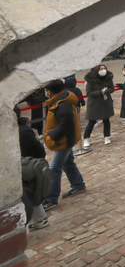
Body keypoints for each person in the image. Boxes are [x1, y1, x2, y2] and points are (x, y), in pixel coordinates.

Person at [41, 79, 86, 210]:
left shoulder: (62, 105)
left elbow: (66, 125)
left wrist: (52, 135)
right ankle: (78, 184)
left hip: (64, 140)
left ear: (49, 92)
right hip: (66, 139)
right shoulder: (59, 101)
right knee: (68, 162)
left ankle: (51, 199)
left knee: (54, 168)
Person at [15, 104, 50, 230]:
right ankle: (39, 219)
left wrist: (33, 164)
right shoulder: (19, 129)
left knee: (29, 192)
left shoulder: (22, 130)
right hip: (25, 164)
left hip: (27, 165)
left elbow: (38, 149)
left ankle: (39, 220)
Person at [82, 64, 115, 148]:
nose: (103, 70)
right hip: (94, 103)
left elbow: (112, 88)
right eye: (101, 69)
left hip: (105, 101)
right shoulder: (91, 80)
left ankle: (107, 137)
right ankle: (86, 138)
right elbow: (89, 92)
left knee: (106, 120)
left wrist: (107, 91)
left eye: (104, 68)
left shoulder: (108, 77)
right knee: (92, 121)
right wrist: (100, 92)